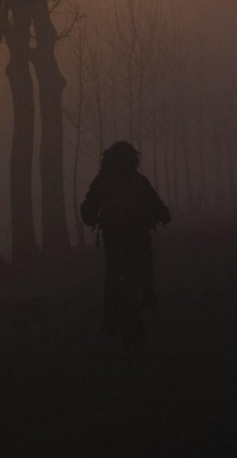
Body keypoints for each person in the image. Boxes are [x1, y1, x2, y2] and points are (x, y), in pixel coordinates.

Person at [80, 141, 171, 332]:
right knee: (142, 265)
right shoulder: (138, 181)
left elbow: (88, 207)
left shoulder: (102, 181)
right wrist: (163, 216)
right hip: (137, 234)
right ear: (133, 160)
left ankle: (110, 319)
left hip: (113, 236)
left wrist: (92, 219)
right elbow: (156, 205)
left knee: (113, 274)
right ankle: (146, 292)